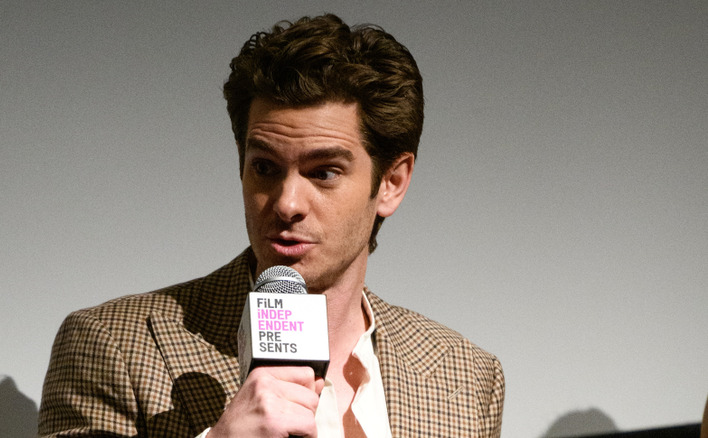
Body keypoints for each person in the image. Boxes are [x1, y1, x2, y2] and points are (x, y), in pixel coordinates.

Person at [39, 14, 504, 438]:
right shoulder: (113, 343)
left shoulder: (465, 376)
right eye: (265, 167)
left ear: (392, 183)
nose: (286, 203)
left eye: (323, 172)